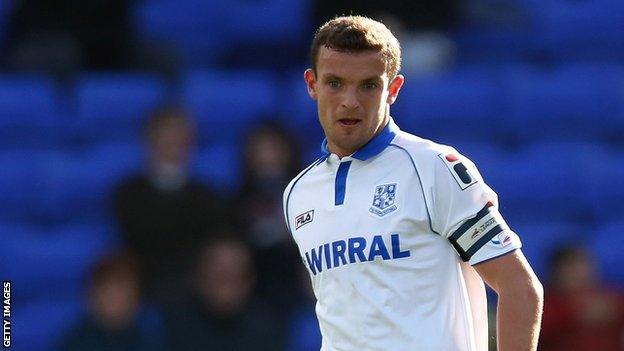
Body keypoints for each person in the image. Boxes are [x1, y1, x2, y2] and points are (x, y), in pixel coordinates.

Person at [282, 16, 543, 350]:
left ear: (393, 89)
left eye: (368, 85)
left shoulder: (434, 168)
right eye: (335, 83)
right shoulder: (298, 194)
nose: (350, 100)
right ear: (311, 84)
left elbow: (519, 288)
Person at [113, 106, 229, 306]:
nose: (172, 142)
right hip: (144, 295)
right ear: (150, 139)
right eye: (165, 134)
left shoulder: (207, 198)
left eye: (178, 135)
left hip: (199, 299)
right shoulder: (128, 195)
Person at [164, 235, 284, 351]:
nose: (226, 289)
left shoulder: (266, 328)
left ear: (250, 281)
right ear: (199, 277)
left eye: (235, 277)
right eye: (220, 277)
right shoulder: (171, 327)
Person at [59, 252, 164, 351]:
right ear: (93, 296)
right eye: (111, 294)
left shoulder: (152, 338)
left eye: (126, 293)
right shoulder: (75, 344)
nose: (119, 301)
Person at [540, 246, 624, 350]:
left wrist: (614, 310)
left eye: (583, 265)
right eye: (571, 267)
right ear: (556, 272)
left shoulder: (610, 296)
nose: (579, 273)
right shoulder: (545, 303)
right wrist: (574, 312)